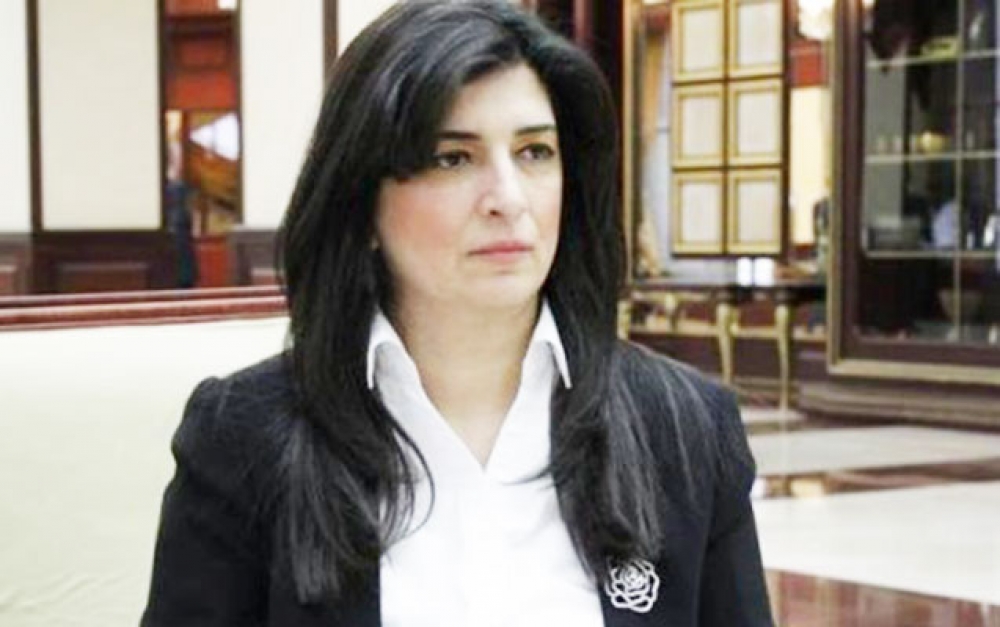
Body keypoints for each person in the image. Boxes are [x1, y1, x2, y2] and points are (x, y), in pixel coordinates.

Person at [140, 2, 773, 625]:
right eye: (453, 158)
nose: (508, 198)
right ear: (362, 201)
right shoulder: (243, 437)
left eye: (534, 152)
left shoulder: (687, 429)